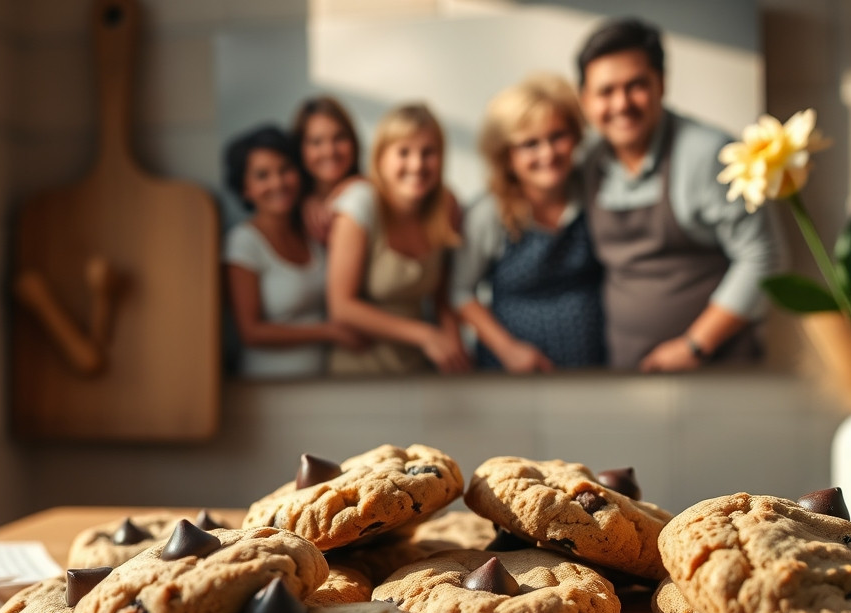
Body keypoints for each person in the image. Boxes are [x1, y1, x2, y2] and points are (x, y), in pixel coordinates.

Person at [576, 17, 784, 371]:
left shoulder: (710, 154)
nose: (621, 104)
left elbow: (764, 258)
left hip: (715, 364)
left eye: (636, 85)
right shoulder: (588, 164)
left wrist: (695, 345)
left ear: (661, 84)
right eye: (605, 91)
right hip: (626, 365)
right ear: (584, 100)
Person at [452, 73, 607, 372]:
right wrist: (509, 350)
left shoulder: (591, 192)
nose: (547, 153)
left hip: (593, 367)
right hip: (512, 373)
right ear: (506, 155)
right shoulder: (489, 213)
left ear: (575, 136)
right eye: (529, 144)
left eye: (557, 136)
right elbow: (461, 292)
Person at [325, 103, 470, 375]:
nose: (417, 165)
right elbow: (341, 307)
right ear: (380, 158)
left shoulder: (446, 206)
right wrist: (425, 335)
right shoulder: (360, 206)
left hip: (417, 366)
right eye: (403, 152)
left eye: (428, 153)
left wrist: (454, 348)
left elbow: (442, 298)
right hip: (360, 368)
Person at [221, 125, 365, 379]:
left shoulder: (310, 230)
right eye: (262, 176)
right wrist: (328, 331)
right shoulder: (243, 242)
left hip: (324, 382)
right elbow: (250, 332)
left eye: (285, 169)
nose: (278, 182)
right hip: (268, 387)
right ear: (246, 189)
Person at [291, 96, 363, 246]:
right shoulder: (290, 210)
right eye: (316, 142)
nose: (330, 151)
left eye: (339, 137)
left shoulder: (370, 193)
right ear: (300, 149)